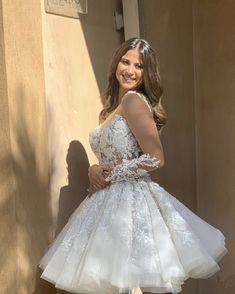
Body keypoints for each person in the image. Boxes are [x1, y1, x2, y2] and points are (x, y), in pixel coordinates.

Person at [39, 38, 227, 294]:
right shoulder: (107, 112)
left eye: (138, 66)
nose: (129, 70)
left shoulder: (134, 101)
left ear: (146, 73)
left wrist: (109, 175)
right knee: (111, 282)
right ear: (116, 63)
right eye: (125, 61)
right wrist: (93, 169)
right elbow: (111, 156)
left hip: (133, 202)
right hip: (103, 203)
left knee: (151, 283)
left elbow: (155, 157)